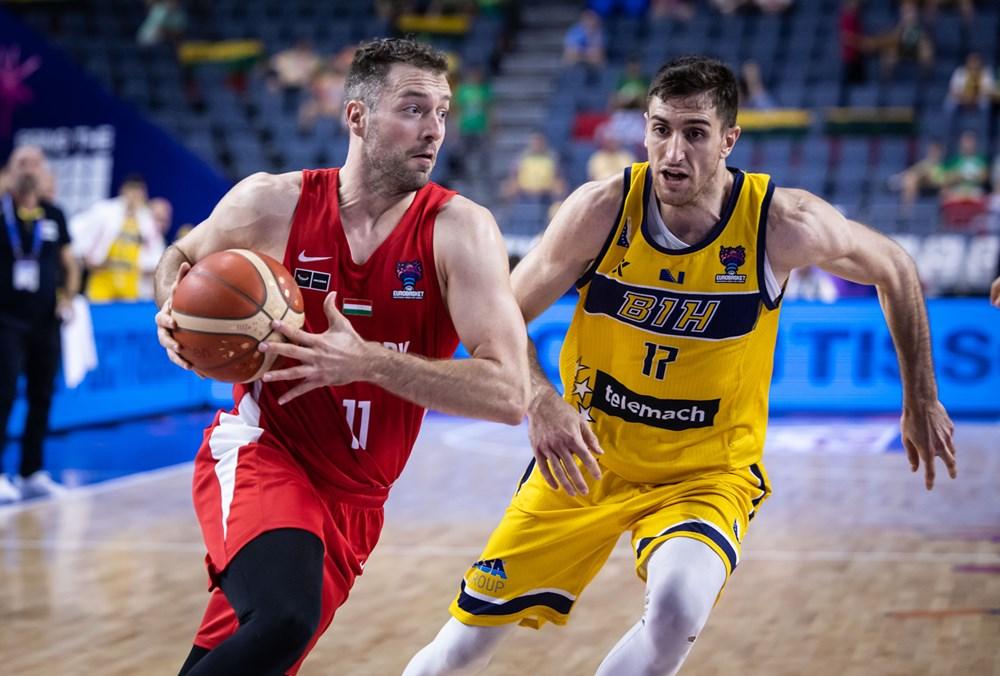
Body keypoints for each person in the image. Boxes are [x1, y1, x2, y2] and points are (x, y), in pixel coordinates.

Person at [404, 55, 957, 676]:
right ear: (643, 128)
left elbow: (896, 268)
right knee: (455, 650)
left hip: (707, 472)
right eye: (661, 128)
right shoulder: (601, 210)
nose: (673, 151)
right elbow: (502, 315)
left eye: (694, 133)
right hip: (587, 459)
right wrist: (541, 400)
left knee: (676, 607)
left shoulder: (780, 223)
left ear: (729, 139)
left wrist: (921, 396)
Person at [153, 38, 529, 675]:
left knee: (250, 655)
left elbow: (509, 395)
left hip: (356, 501)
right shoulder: (271, 203)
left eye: (442, 111)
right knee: (285, 618)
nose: (434, 129)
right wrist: (173, 315)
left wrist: (369, 363)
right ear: (356, 117)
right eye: (413, 109)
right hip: (263, 450)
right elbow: (180, 259)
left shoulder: (461, 231)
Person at [0, 146, 79, 503]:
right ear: (10, 170)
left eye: (34, 163)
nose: (29, 169)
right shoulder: (3, 211)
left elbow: (69, 264)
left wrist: (69, 297)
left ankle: (32, 472)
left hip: (45, 321)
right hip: (6, 320)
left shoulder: (54, 214)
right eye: (22, 163)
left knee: (42, 395)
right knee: (2, 394)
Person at [70, 174, 165, 302]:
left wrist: (149, 268)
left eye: (138, 192)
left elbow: (157, 254)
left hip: (132, 286)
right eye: (132, 190)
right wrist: (86, 257)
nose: (134, 196)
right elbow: (77, 229)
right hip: (103, 280)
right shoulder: (104, 211)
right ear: (123, 190)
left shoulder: (147, 221)